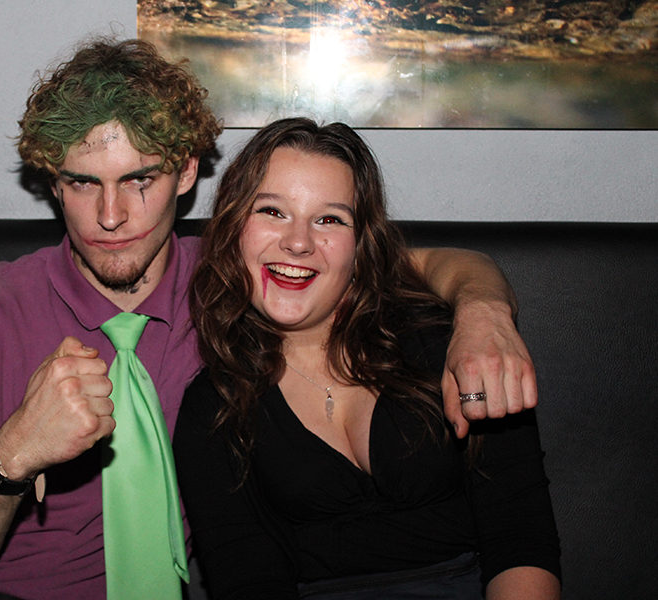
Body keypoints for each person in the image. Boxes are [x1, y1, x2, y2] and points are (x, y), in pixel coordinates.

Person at [0, 40, 538, 600]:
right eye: (83, 182)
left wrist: (483, 314)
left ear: (185, 171)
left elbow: (412, 263)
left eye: (138, 179)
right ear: (53, 181)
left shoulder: (249, 274)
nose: (111, 216)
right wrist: (12, 454)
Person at [174, 117, 562, 599]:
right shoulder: (214, 406)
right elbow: (247, 579)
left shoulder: (449, 347)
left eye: (329, 219)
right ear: (234, 229)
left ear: (360, 246)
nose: (299, 241)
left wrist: (484, 310)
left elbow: (521, 536)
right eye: (272, 211)